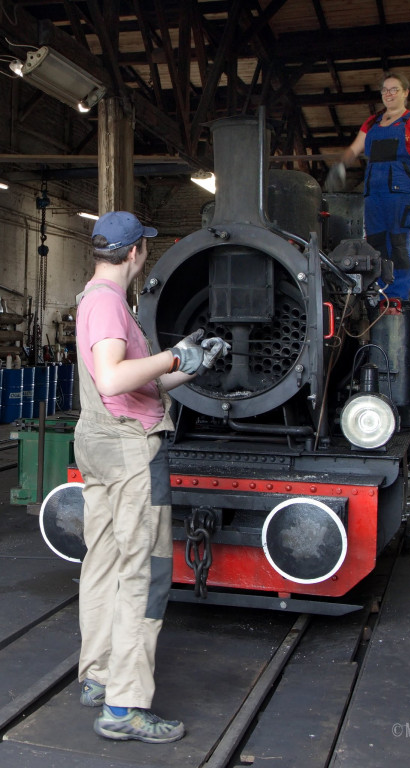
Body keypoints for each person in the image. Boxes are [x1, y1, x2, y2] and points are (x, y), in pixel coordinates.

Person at [74, 211, 229, 743]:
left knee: (103, 561)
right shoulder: (109, 304)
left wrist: (191, 365)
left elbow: (136, 385)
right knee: (145, 572)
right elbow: (114, 377)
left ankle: (98, 676)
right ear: (137, 252)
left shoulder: (95, 299)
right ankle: (124, 707)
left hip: (101, 441)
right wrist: (169, 355)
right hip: (129, 451)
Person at [326, 71, 410, 301]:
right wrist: (341, 165)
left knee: (398, 244)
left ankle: (397, 297)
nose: (388, 94)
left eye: (394, 89)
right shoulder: (372, 122)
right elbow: (355, 149)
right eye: (385, 90)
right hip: (374, 193)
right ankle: (379, 294)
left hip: (400, 192)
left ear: (405, 93)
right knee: (376, 244)